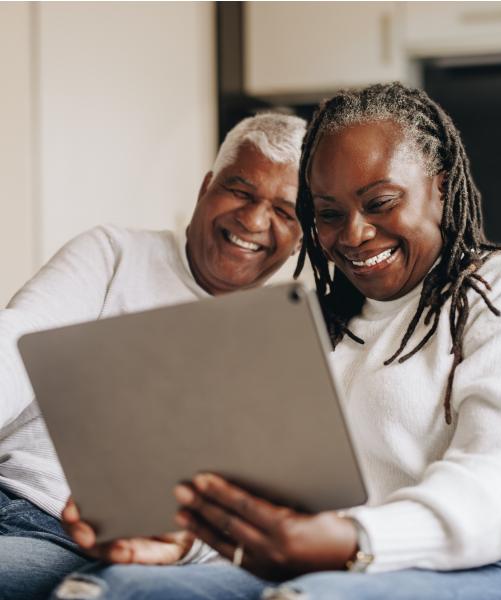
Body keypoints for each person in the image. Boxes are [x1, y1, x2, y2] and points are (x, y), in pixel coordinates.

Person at [54, 82, 501, 600]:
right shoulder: (314, 319)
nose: (354, 234)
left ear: (441, 185)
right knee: (109, 588)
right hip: (338, 568)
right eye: (329, 214)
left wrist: (348, 539)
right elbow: (273, 503)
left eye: (380, 202)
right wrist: (187, 539)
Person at [0, 112, 305, 600]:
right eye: (241, 191)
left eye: (284, 212)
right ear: (206, 187)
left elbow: (241, 518)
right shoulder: (113, 253)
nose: (252, 221)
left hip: (65, 536)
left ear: (300, 237)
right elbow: (16, 341)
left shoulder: (283, 342)